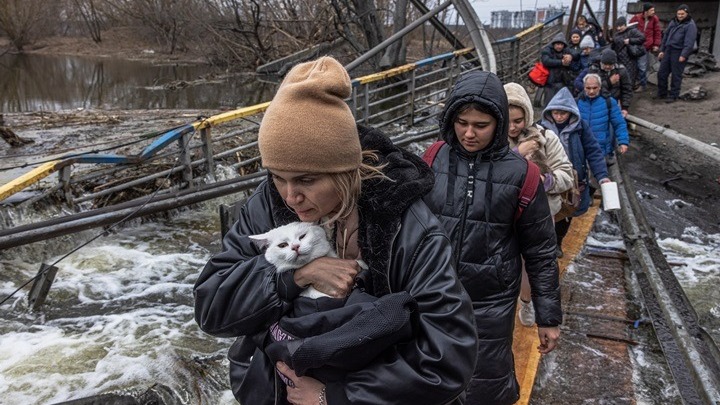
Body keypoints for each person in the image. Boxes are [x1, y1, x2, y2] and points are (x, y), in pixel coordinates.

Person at [193, 56, 478, 405]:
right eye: (278, 176)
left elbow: (448, 358)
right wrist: (293, 278)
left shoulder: (407, 226)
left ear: (344, 172)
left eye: (307, 180)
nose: (290, 195)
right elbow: (211, 309)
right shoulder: (267, 205)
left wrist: (336, 396)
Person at [422, 70, 562, 404]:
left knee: (484, 382)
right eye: (461, 122)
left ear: (498, 123)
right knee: (429, 378)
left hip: (490, 301)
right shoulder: (433, 157)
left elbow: (541, 250)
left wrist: (548, 317)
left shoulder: (522, 175)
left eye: (481, 125)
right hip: (432, 292)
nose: (469, 133)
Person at [504, 82, 574, 327]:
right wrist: (517, 154)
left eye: (518, 121)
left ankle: (526, 301)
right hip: (502, 214)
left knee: (528, 262)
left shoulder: (546, 138)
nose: (512, 127)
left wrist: (544, 181)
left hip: (539, 214)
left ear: (528, 116)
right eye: (507, 120)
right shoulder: (490, 139)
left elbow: (566, 174)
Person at [539, 86, 610, 258]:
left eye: (563, 113)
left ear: (570, 113)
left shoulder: (580, 128)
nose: (559, 117)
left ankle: (557, 242)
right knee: (546, 211)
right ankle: (543, 243)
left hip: (573, 179)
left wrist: (602, 176)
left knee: (566, 212)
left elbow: (593, 151)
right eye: (556, 113)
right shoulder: (541, 128)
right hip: (549, 177)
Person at [577, 73, 630, 161]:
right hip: (581, 148)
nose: (591, 91)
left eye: (594, 88)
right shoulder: (577, 102)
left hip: (600, 148)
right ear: (584, 87)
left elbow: (619, 123)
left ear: (600, 87)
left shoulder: (609, 102)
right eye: (588, 88)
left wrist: (623, 141)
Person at [574, 48, 633, 117]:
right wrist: (609, 82)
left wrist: (625, 107)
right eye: (605, 64)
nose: (607, 67)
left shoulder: (621, 70)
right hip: (597, 103)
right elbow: (593, 89)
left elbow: (627, 89)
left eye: (610, 64)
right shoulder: (594, 69)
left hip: (614, 102)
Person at [657, 4, 698, 103]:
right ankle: (662, 93)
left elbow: (689, 42)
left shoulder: (690, 25)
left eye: (682, 14)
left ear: (687, 14)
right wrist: (662, 50)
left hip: (679, 51)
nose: (680, 16)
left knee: (676, 75)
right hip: (668, 50)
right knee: (662, 73)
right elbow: (666, 36)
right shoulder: (673, 22)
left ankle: (673, 95)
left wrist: (684, 55)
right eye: (678, 14)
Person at [629, 2, 662, 92]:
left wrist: (656, 44)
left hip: (645, 46)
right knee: (633, 65)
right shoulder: (636, 18)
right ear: (646, 11)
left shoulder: (654, 19)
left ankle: (642, 85)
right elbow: (629, 29)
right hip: (635, 45)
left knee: (642, 66)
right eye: (651, 10)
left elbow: (657, 32)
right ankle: (633, 83)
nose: (653, 12)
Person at [541, 33, 577, 106]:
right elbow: (546, 61)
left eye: (561, 45)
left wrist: (571, 56)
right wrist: (561, 62)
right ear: (553, 44)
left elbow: (576, 54)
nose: (559, 46)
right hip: (550, 83)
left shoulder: (566, 50)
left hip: (563, 81)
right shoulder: (547, 50)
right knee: (549, 104)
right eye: (557, 44)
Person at [610, 17, 646, 87]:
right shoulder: (616, 35)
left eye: (621, 26)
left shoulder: (632, 31)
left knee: (630, 77)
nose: (619, 28)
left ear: (625, 25)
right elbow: (613, 47)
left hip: (630, 58)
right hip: (619, 59)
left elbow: (642, 38)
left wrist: (630, 41)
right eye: (617, 26)